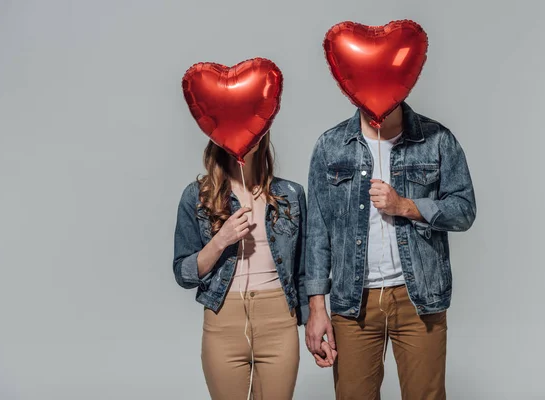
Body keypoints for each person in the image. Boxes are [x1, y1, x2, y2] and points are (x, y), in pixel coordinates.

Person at [305, 102, 476, 399]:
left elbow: (464, 211)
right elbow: (317, 232)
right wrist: (317, 308)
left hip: (418, 300)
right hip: (353, 303)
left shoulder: (436, 139)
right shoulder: (330, 146)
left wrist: (406, 207)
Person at [173, 133, 308, 400]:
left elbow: (302, 270)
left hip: (279, 322)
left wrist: (312, 319)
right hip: (224, 321)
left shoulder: (290, 194)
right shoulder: (197, 197)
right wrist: (220, 240)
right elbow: (183, 273)